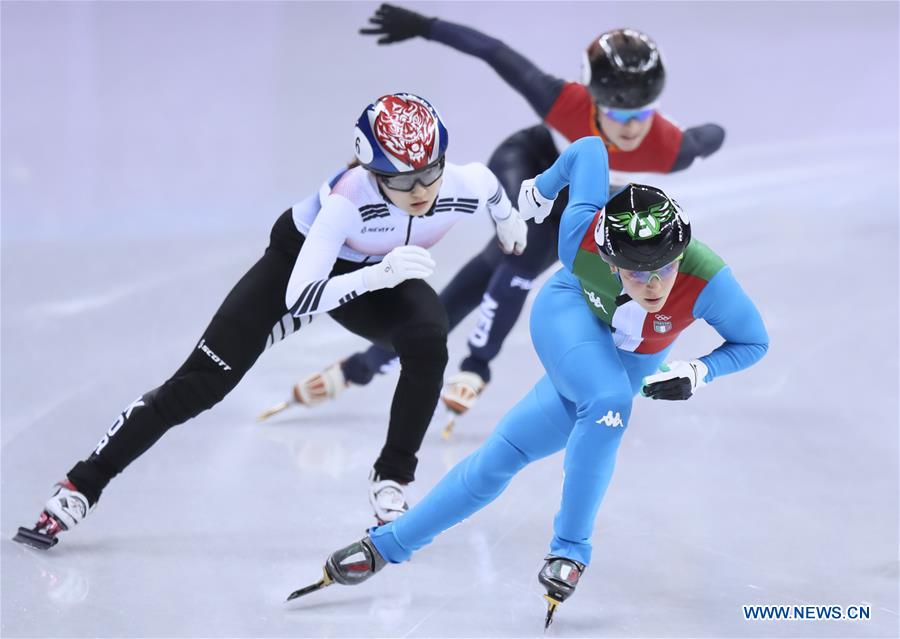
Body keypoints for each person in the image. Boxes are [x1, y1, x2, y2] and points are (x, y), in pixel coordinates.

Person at [285, 137, 768, 627]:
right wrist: (543, 187)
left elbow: (753, 342)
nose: (655, 284)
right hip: (570, 317)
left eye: (665, 267)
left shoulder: (708, 280)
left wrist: (701, 371)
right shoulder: (580, 238)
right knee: (609, 403)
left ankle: (386, 545)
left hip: (627, 359)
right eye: (637, 273)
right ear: (609, 260)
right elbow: (588, 149)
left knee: (504, 455)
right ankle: (571, 550)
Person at [13, 93, 528, 550]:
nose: (421, 190)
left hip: (378, 271)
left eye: (430, 172)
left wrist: (508, 222)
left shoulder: (464, 182)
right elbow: (303, 296)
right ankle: (82, 485)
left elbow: (492, 192)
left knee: (428, 340)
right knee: (199, 385)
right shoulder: (347, 202)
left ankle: (392, 478)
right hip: (298, 267)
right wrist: (380, 275)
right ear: (374, 173)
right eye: (401, 180)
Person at [274, 4, 727, 436]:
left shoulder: (670, 148)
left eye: (641, 113)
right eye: (616, 113)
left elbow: (712, 135)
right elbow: (494, 52)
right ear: (593, 100)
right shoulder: (564, 103)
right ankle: (477, 365)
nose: (630, 128)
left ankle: (363, 367)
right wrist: (425, 25)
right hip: (528, 167)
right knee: (522, 252)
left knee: (488, 274)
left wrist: (702, 136)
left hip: (578, 201)